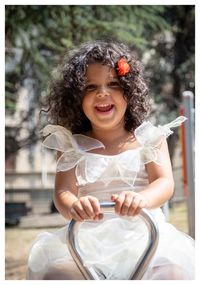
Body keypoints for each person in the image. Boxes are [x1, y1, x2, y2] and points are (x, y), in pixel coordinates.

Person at [27, 40, 194, 280]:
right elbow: (63, 191)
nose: (102, 93)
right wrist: (74, 205)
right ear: (76, 97)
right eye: (90, 87)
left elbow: (164, 183)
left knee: (172, 274)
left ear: (129, 91)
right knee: (57, 274)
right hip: (88, 241)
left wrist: (142, 198)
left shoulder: (149, 138)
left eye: (113, 84)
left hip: (143, 238)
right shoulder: (71, 145)